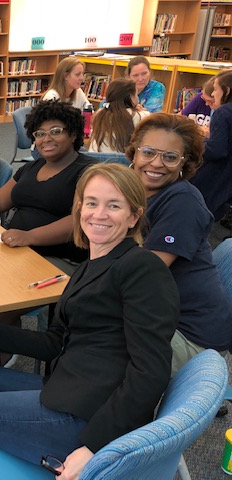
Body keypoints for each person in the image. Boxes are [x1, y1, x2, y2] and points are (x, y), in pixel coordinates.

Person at [0, 163, 179, 478]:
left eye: (114, 206)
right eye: (91, 203)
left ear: (134, 216)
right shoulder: (93, 263)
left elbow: (151, 371)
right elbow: (55, 342)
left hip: (91, 416)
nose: (99, 214)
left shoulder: (143, 269)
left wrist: (93, 446)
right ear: (79, 208)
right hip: (70, 385)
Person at [126, 113, 232, 373]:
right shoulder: (134, 191)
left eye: (170, 157)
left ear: (184, 161)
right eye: (148, 152)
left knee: (91, 348)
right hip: (154, 313)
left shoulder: (183, 201)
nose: (156, 163)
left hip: (189, 334)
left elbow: (146, 271)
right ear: (135, 152)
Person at [0, 100, 96, 272]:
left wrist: (29, 236)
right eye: (40, 133)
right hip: (17, 248)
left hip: (59, 258)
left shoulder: (88, 172)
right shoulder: (31, 167)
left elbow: (79, 221)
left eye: (55, 131)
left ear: (73, 134)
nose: (47, 139)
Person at [190, 70, 232, 220]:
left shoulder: (223, 112)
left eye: (215, 89)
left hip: (217, 178)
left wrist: (193, 143)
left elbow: (216, 150)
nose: (213, 94)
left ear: (227, 91)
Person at [88, 78, 149, 153]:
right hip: (122, 159)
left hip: (96, 157)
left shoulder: (99, 114)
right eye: (136, 95)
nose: (138, 98)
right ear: (131, 97)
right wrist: (143, 111)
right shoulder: (141, 116)